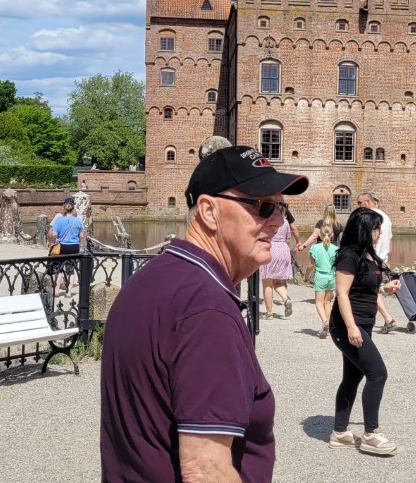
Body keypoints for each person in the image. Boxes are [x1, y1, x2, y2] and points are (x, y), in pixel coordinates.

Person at [100, 145, 307, 482]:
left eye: (280, 207)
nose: (278, 221)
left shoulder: (153, 277)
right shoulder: (206, 308)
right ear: (210, 212)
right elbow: (205, 470)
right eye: (264, 206)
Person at [328, 207, 401, 455]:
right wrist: (351, 327)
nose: (379, 232)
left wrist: (385, 289)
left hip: (363, 323)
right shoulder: (348, 255)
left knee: (352, 377)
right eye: (376, 228)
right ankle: (371, 434)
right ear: (364, 229)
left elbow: (363, 289)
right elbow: (342, 293)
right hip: (348, 325)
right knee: (378, 374)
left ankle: (340, 433)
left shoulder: (367, 255)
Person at [357, 193, 396, 333]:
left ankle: (388, 319)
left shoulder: (369, 217)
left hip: (371, 259)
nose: (358, 206)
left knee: (371, 290)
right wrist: (388, 261)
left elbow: (364, 239)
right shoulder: (386, 217)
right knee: (374, 289)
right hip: (382, 260)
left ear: (368, 202)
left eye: (359, 202)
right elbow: (390, 242)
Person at [258, 201, 302, 319]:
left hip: (271, 248)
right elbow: (288, 238)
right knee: (277, 281)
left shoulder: (267, 219)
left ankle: (269, 313)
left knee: (267, 282)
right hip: (283, 249)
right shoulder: (285, 221)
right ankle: (286, 299)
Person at [47, 196, 84, 297]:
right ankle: (69, 292)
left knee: (59, 269)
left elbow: (54, 234)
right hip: (74, 247)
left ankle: (57, 291)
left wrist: (51, 239)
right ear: (73, 207)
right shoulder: (78, 220)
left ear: (64, 207)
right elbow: (81, 236)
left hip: (62, 246)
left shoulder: (59, 220)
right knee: (71, 270)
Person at [310, 223, 338, 339]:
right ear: (332, 235)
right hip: (332, 278)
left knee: (319, 303)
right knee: (327, 302)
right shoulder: (336, 249)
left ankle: (325, 321)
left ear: (320, 235)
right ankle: (329, 324)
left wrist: (306, 276)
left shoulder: (315, 248)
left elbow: (310, 265)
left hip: (320, 277)